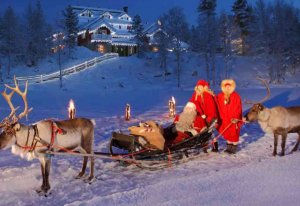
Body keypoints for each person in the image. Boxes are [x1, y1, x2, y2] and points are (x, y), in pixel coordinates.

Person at [189, 80, 219, 151]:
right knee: (202, 131)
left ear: (204, 87)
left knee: (210, 132)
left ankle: (215, 146)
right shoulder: (195, 94)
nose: (199, 88)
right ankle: (204, 146)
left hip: (210, 117)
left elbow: (212, 108)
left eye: (201, 87)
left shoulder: (207, 95)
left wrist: (209, 118)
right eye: (198, 86)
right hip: (201, 116)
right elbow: (192, 103)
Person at [216, 79, 243, 154]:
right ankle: (228, 147)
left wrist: (236, 117)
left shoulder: (236, 96)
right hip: (224, 118)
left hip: (233, 118)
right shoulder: (220, 96)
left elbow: (238, 108)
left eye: (229, 87)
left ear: (232, 87)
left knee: (234, 132)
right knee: (227, 132)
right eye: (226, 87)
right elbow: (216, 103)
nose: (227, 88)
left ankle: (233, 148)